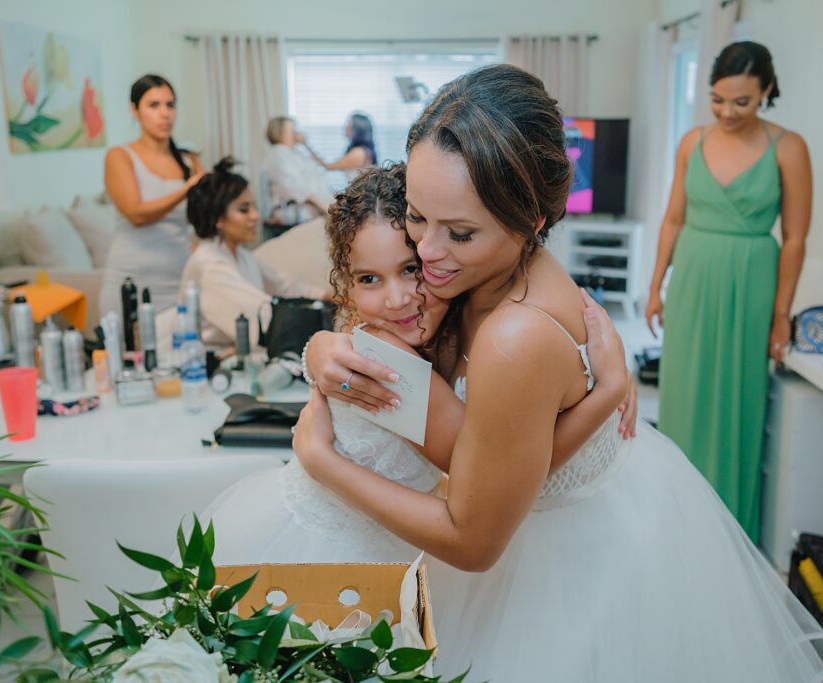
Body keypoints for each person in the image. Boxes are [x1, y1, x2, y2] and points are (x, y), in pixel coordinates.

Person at [295, 64, 823, 681]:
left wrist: (323, 462)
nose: (426, 251)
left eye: (460, 233)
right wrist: (320, 346)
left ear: (533, 220)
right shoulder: (473, 271)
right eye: (418, 216)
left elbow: (472, 539)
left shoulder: (514, 338)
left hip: (574, 568)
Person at [202, 164, 615, 566]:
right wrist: (605, 394)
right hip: (331, 552)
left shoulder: (443, 325)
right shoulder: (387, 358)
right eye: (369, 279)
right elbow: (497, 478)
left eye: (410, 269)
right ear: (346, 284)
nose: (396, 298)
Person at [645, 41, 813, 542]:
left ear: (766, 91)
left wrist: (782, 314)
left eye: (741, 101)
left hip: (751, 280)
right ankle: (675, 514)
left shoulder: (789, 147)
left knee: (738, 399)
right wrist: (655, 286)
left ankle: (729, 530)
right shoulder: (692, 141)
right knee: (684, 392)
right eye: (718, 99)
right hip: (694, 276)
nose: (727, 112)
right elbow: (673, 218)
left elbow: (797, 238)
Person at [181, 157, 328, 349]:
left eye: (254, 207)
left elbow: (284, 286)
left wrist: (330, 296)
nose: (255, 216)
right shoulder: (209, 264)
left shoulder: (241, 255)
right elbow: (262, 315)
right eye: (244, 209)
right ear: (218, 218)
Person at [100, 75, 203, 316]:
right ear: (134, 110)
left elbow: (204, 219)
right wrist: (187, 189)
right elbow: (136, 214)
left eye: (170, 105)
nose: (165, 114)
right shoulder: (120, 156)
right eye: (153, 105)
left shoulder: (190, 160)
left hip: (179, 281)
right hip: (131, 281)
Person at [260, 116, 334, 225]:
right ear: (280, 133)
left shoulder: (293, 153)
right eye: (293, 131)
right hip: (297, 215)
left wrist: (305, 144)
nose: (297, 134)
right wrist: (326, 209)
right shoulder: (279, 154)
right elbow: (297, 188)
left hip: (315, 213)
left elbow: (317, 173)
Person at [301, 112, 377, 182]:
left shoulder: (358, 153)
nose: (345, 127)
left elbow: (328, 166)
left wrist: (306, 144)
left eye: (349, 125)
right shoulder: (361, 150)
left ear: (358, 130)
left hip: (362, 195)